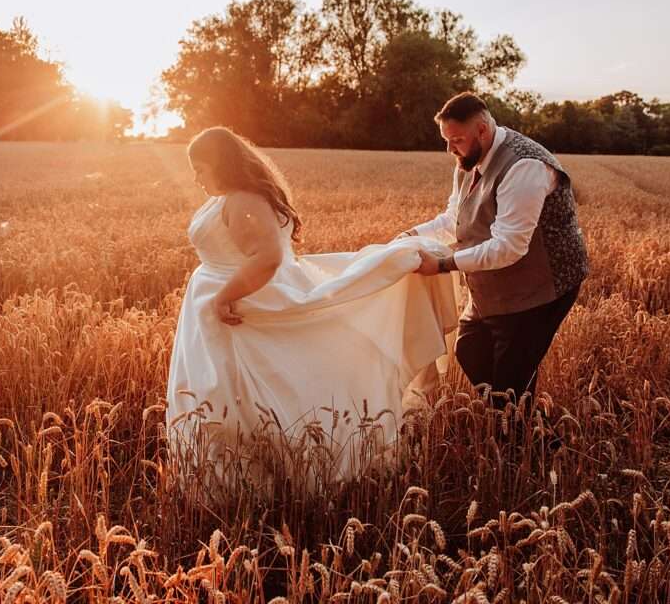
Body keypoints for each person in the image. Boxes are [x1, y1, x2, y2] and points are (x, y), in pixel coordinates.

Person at [165, 127, 457, 482]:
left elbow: (268, 257)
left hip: (240, 302)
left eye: (201, 168)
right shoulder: (229, 196)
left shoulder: (243, 199)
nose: (195, 177)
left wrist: (225, 296)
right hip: (219, 298)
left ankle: (263, 476)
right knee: (225, 389)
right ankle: (227, 476)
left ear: (223, 165)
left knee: (244, 390)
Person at [401, 92, 588, 409]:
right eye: (446, 140)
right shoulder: (467, 160)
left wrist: (444, 264)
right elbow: (454, 219)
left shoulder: (525, 166)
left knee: (510, 384)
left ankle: (527, 443)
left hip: (542, 288)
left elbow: (509, 246)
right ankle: (524, 425)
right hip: (497, 282)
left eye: (456, 139)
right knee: (470, 348)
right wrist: (411, 234)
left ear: (483, 130)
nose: (450, 149)